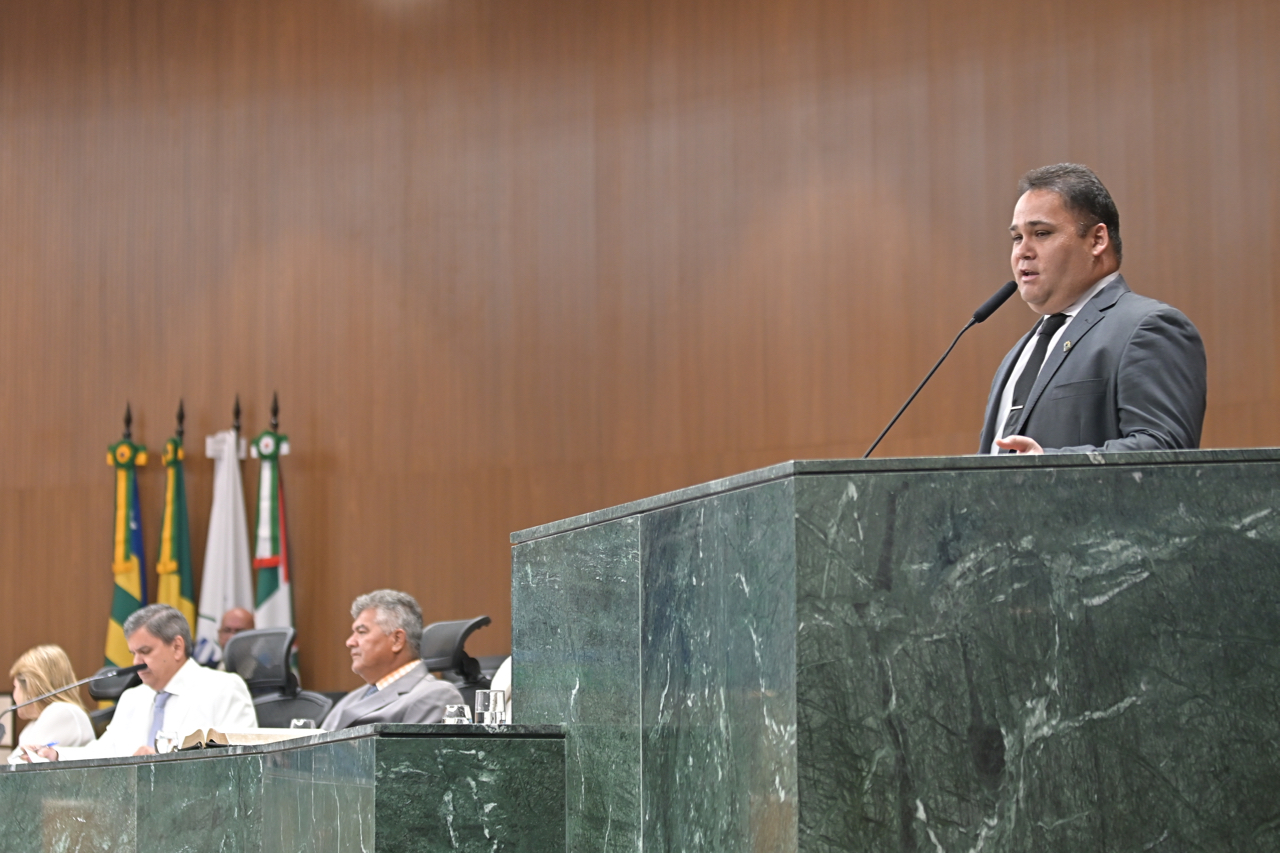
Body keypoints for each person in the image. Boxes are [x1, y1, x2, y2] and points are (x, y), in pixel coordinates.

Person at [980, 163, 1206, 455]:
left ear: (1097, 240)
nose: (1023, 251)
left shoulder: (1148, 328)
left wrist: (1049, 465)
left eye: (1042, 233)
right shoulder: (1021, 353)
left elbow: (1165, 449)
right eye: (1017, 238)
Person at [20, 604, 257, 761]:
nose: (136, 662)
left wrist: (164, 764)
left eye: (145, 652)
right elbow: (105, 751)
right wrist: (56, 755)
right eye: (133, 653)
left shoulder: (223, 688)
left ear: (177, 647)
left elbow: (241, 761)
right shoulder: (133, 697)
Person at [321, 590, 463, 730]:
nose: (350, 642)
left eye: (362, 632)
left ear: (397, 640)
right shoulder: (351, 699)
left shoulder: (437, 695)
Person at [7, 645, 95, 762]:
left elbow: (18, 766)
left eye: (15, 686)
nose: (14, 695)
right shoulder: (33, 724)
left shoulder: (62, 711)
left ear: (30, 688)